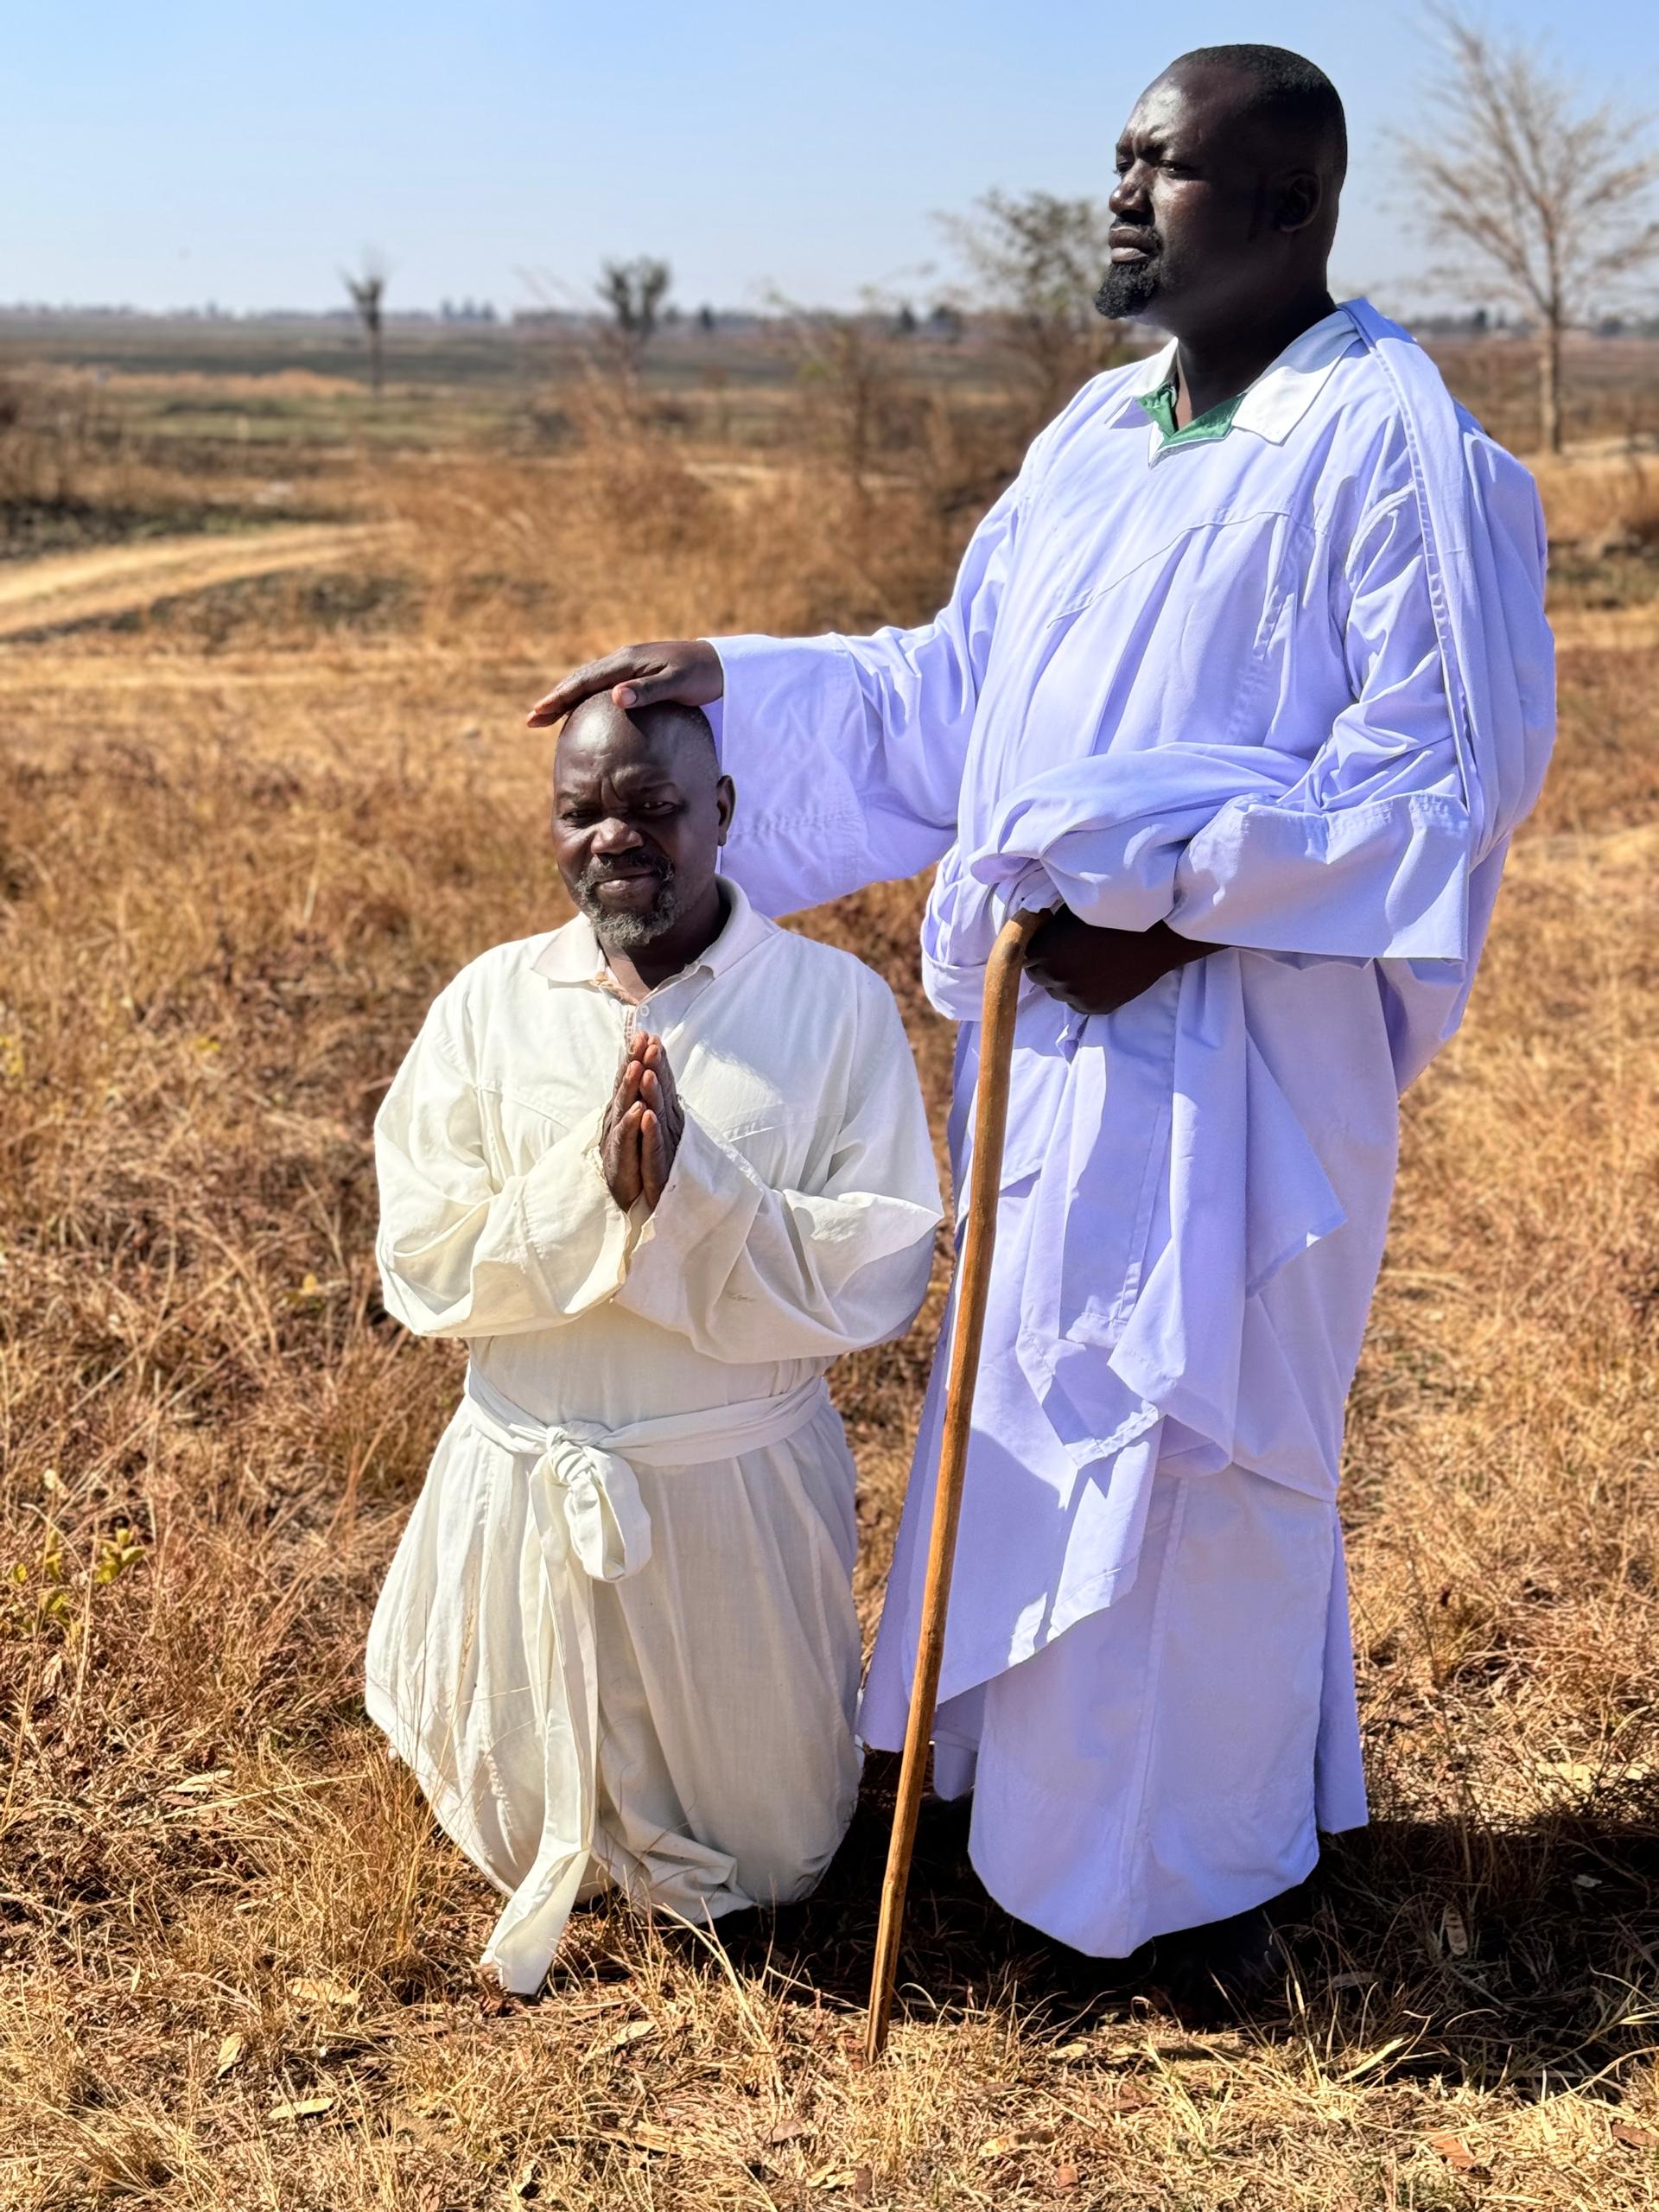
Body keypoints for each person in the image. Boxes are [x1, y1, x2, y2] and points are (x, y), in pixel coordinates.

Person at [526, 45, 1555, 1992]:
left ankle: (1193, 1873)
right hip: (1052, 1043)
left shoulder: (1396, 447)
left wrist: (1172, 904)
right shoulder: (1097, 431)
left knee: (1206, 1443)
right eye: (1119, 159)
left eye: (1157, 167)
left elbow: (1433, 779)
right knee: (1037, 1399)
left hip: (1240, 1046)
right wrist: (730, 681)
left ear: (1286, 205)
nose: (1117, 195)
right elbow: (952, 700)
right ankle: (1030, 1820)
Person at [366, 696, 942, 1995]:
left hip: (727, 1499)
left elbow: (877, 1267)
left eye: (656, 807)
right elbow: (421, 1260)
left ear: (724, 816)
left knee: (781, 1855)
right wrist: (597, 1194)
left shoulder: (832, 1007)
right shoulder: (489, 1004)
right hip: (528, 1479)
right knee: (506, 1820)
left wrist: (696, 1193)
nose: (616, 837)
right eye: (583, 811)